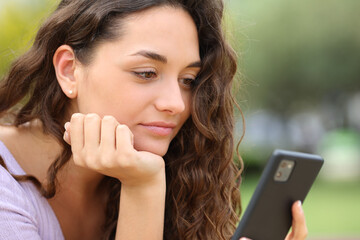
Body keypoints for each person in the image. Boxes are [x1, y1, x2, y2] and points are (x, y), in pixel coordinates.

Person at [0, 0, 308, 239]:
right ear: (69, 69)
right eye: (146, 73)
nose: (176, 104)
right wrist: (142, 187)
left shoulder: (172, 170)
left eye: (188, 80)